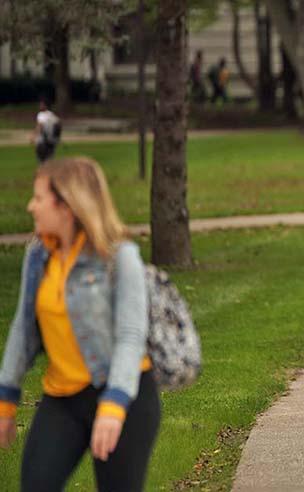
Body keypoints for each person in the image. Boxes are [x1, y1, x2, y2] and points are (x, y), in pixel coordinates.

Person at [0, 157, 160, 491]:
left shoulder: (119, 256)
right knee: (36, 485)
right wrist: (5, 400)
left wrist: (114, 406)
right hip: (63, 398)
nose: (31, 206)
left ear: (67, 206)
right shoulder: (38, 255)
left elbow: (132, 336)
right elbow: (23, 330)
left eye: (39, 198)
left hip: (124, 395)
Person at [32, 99, 61, 164]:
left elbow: (40, 126)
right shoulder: (51, 114)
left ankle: (44, 172)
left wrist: (33, 136)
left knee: (41, 160)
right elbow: (58, 124)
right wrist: (57, 137)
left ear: (45, 106)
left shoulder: (41, 114)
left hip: (42, 141)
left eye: (41, 105)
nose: (40, 106)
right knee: (50, 160)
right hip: (52, 141)